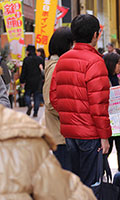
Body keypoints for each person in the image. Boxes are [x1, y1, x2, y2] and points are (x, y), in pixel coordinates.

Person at [50, 14, 111, 187]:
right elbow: (99, 105)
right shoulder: (95, 62)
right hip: (90, 133)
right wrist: (104, 136)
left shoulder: (62, 60)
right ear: (95, 35)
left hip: (69, 133)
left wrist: (69, 115)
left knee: (74, 183)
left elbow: (54, 96)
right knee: (90, 184)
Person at [0, 105, 96, 200]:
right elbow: (65, 193)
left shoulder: (20, 134)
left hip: (70, 131)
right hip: (68, 132)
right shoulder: (22, 137)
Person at [43, 27, 73, 170]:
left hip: (63, 132)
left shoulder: (59, 64)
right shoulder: (56, 66)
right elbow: (50, 102)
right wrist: (71, 116)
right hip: (60, 134)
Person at [103, 52, 120, 171]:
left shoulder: (119, 80)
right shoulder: (103, 80)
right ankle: (101, 174)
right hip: (108, 120)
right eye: (118, 63)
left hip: (119, 120)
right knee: (108, 148)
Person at [20, 44, 43, 117]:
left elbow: (23, 71)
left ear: (28, 51)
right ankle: (35, 112)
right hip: (38, 80)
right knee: (37, 95)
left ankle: (29, 105)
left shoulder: (26, 60)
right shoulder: (40, 59)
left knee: (27, 94)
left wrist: (22, 81)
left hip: (29, 80)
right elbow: (43, 69)